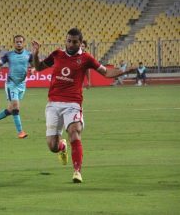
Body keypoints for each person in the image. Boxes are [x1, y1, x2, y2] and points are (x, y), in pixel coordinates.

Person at [31, 28, 135, 183]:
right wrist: (35, 54)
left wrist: (123, 71)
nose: (71, 44)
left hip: (73, 103)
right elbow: (39, 68)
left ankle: (77, 171)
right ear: (65, 40)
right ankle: (62, 147)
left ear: (80, 43)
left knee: (74, 132)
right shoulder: (57, 54)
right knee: (53, 146)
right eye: (69, 41)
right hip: (53, 104)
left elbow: (105, 72)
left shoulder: (86, 58)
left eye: (75, 42)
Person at [0, 35, 33, 139]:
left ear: (23, 43)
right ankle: (20, 132)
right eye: (17, 42)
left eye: (20, 42)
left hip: (22, 84)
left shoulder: (28, 55)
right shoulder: (9, 55)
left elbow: (33, 64)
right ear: (14, 43)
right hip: (11, 84)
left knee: (11, 109)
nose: (19, 43)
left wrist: (33, 69)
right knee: (16, 107)